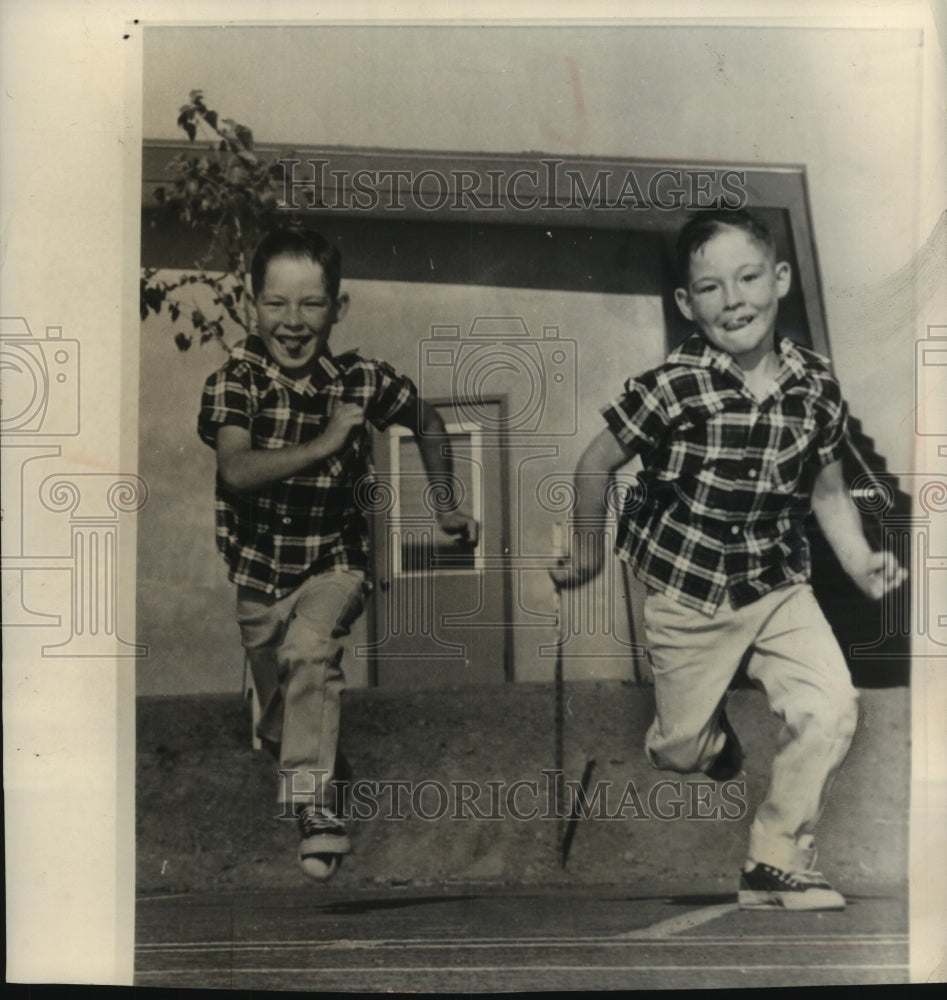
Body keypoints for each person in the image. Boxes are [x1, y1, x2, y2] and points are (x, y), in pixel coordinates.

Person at [550, 208, 905, 910]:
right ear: (687, 303)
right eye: (709, 288)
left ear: (779, 280)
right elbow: (594, 466)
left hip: (776, 583)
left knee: (829, 705)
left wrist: (860, 559)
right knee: (678, 749)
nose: (732, 299)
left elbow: (827, 489)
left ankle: (777, 858)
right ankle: (705, 744)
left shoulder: (815, 386)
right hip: (687, 588)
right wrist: (589, 554)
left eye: (747, 278)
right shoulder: (671, 386)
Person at [198, 227, 478, 881]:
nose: (292, 323)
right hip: (259, 570)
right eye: (276, 304)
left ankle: (313, 805)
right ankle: (280, 731)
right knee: (278, 691)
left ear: (337, 309)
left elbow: (428, 422)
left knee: (309, 651)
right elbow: (236, 470)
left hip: (337, 556)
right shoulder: (234, 382)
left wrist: (443, 504)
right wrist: (327, 443)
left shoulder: (360, 379)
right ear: (250, 306)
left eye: (310, 305)